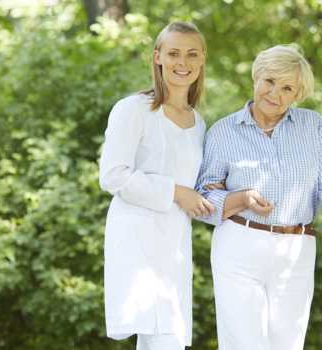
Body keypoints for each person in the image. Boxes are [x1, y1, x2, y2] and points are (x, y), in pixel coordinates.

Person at [195, 44, 322, 350]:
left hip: (296, 249)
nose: (274, 93)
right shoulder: (223, 132)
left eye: (287, 87)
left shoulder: (313, 126)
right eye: (269, 81)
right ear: (256, 77)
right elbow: (204, 195)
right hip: (239, 244)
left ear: (297, 94)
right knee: (243, 344)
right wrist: (241, 199)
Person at [98, 22, 213, 350]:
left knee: (168, 337)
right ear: (157, 57)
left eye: (192, 54)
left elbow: (199, 189)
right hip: (137, 239)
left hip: (175, 244)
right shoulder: (133, 109)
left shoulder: (198, 123)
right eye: (174, 53)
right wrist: (176, 192)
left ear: (202, 59)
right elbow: (113, 174)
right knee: (161, 336)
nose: (182, 62)